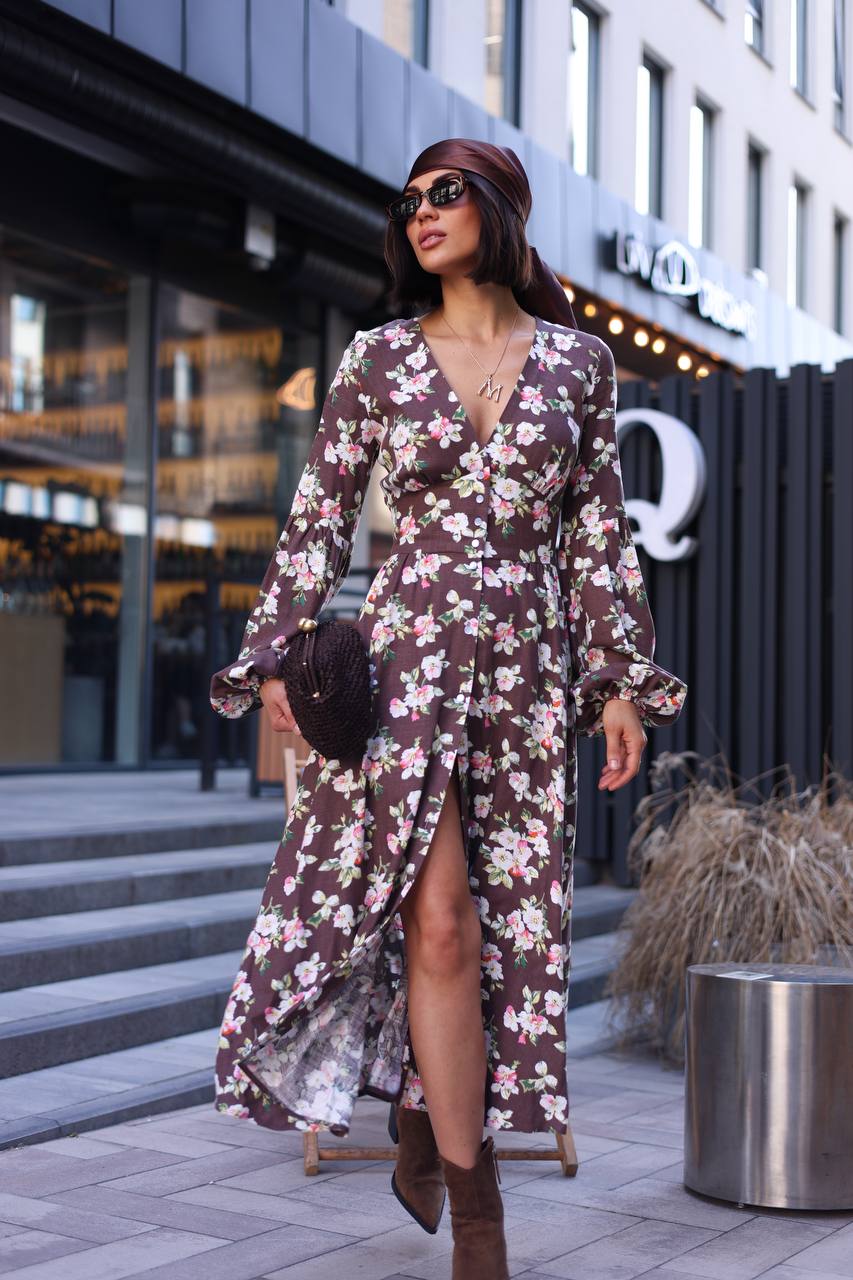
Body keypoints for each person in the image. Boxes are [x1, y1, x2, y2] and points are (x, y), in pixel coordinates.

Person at [209, 137, 688, 1279]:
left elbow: (596, 541)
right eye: (410, 199)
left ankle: (429, 1119)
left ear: (499, 210)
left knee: (501, 929)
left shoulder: (578, 365)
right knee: (437, 924)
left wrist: (617, 679)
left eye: (445, 193)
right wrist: (275, 653)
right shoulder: (376, 358)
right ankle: (482, 1219)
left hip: (522, 680)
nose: (420, 213)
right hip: (401, 671)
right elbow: (317, 515)